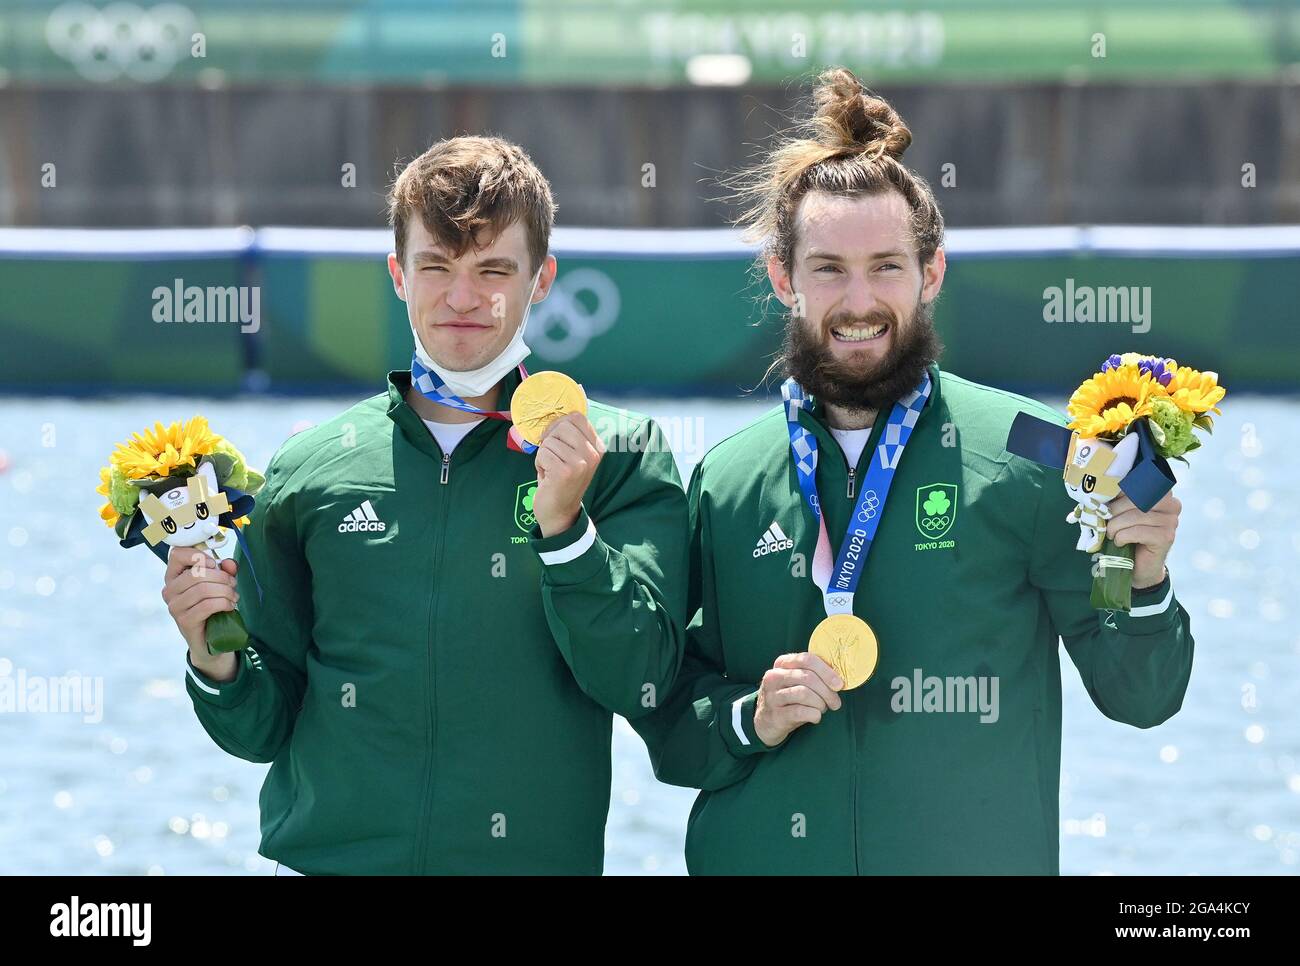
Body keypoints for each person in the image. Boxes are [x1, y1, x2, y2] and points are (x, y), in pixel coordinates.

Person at [634, 68, 1193, 875]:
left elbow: (1138, 693)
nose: (859, 300)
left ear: (931, 273)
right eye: (829, 268)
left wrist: (1142, 580)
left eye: (886, 266)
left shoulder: (1040, 449)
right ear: (783, 278)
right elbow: (667, 711)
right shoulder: (726, 480)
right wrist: (749, 716)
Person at [163, 135, 687, 874]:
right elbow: (261, 728)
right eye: (436, 266)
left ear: (542, 279)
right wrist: (209, 653)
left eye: (493, 269)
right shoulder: (310, 466)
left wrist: (568, 534)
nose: (463, 297)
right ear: (398, 275)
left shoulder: (620, 454)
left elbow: (644, 681)